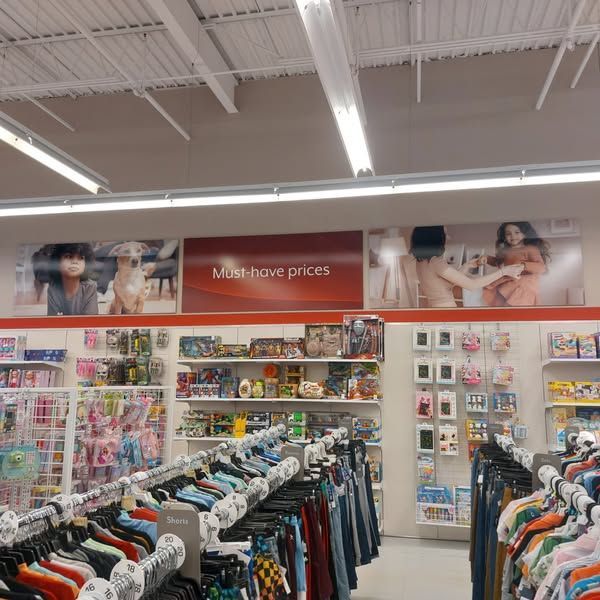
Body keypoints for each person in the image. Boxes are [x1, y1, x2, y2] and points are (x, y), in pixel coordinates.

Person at [409, 226, 523, 308]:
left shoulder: (421, 262)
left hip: (436, 311)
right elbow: (472, 285)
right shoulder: (436, 262)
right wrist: (503, 272)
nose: (447, 237)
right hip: (446, 312)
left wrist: (466, 266)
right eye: (444, 234)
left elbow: (446, 285)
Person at [482, 221, 550, 306]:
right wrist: (487, 259)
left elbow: (541, 267)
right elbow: (498, 262)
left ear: (525, 233)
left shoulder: (531, 249)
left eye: (517, 232)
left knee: (516, 310)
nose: (513, 236)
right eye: (508, 234)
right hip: (507, 285)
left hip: (524, 287)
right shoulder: (507, 251)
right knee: (503, 309)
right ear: (504, 237)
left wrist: (523, 265)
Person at [46, 243, 99, 316]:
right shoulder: (53, 289)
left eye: (81, 258)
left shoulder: (90, 288)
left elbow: (91, 320)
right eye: (69, 256)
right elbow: (52, 321)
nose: (75, 262)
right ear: (58, 262)